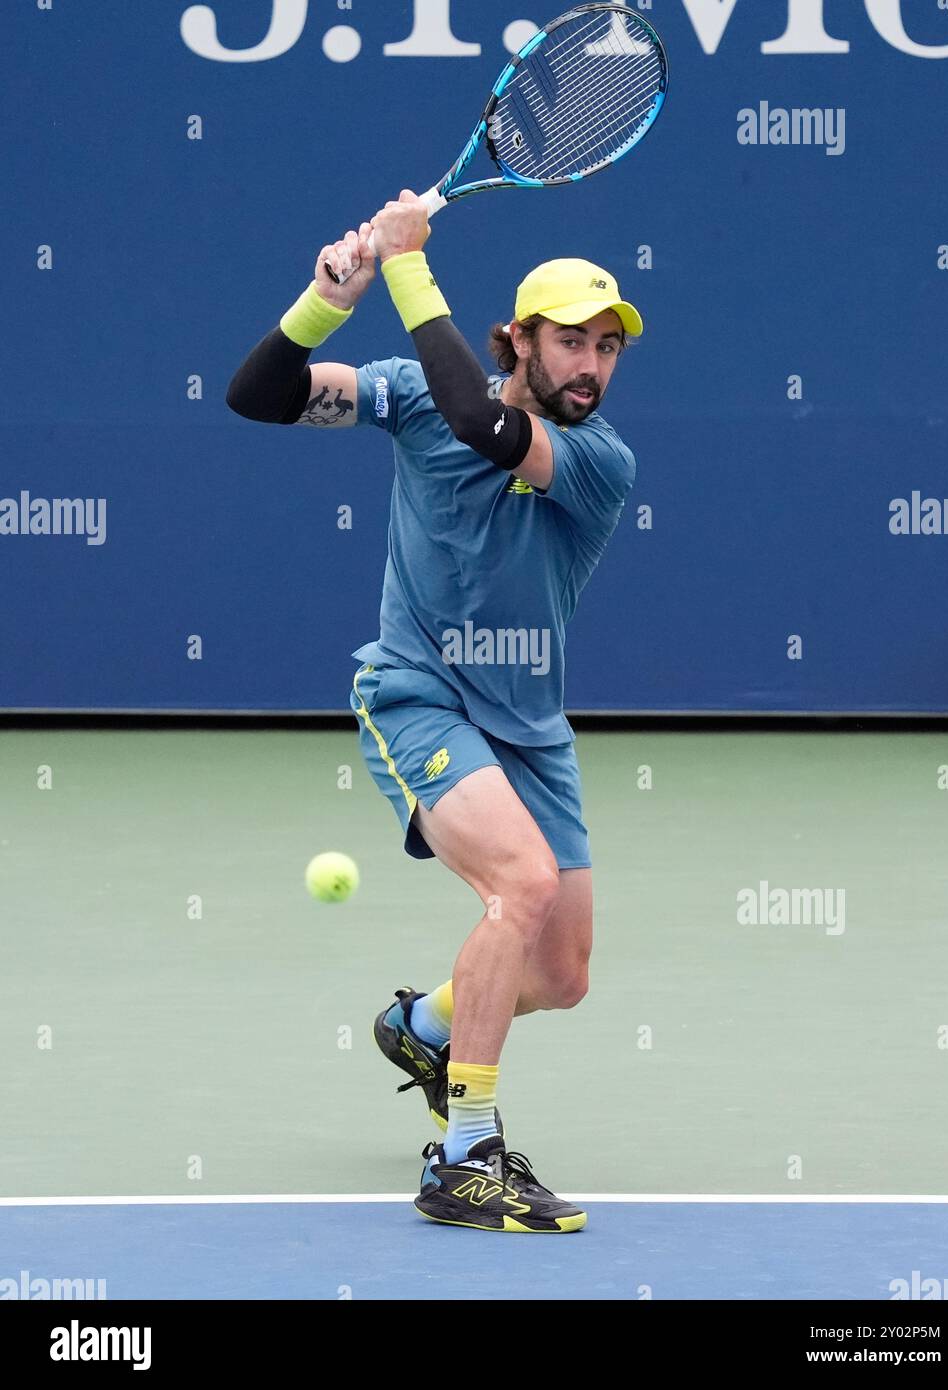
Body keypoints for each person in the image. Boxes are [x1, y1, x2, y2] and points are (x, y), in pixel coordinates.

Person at [227, 191, 643, 1232]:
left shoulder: (598, 463)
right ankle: (465, 1156)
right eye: (569, 343)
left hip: (531, 727)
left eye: (607, 347)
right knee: (522, 883)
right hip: (416, 691)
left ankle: (424, 1026)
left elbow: (485, 425)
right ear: (518, 339)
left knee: (564, 972)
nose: (590, 366)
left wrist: (407, 263)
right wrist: (330, 298)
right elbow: (259, 395)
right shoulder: (406, 394)